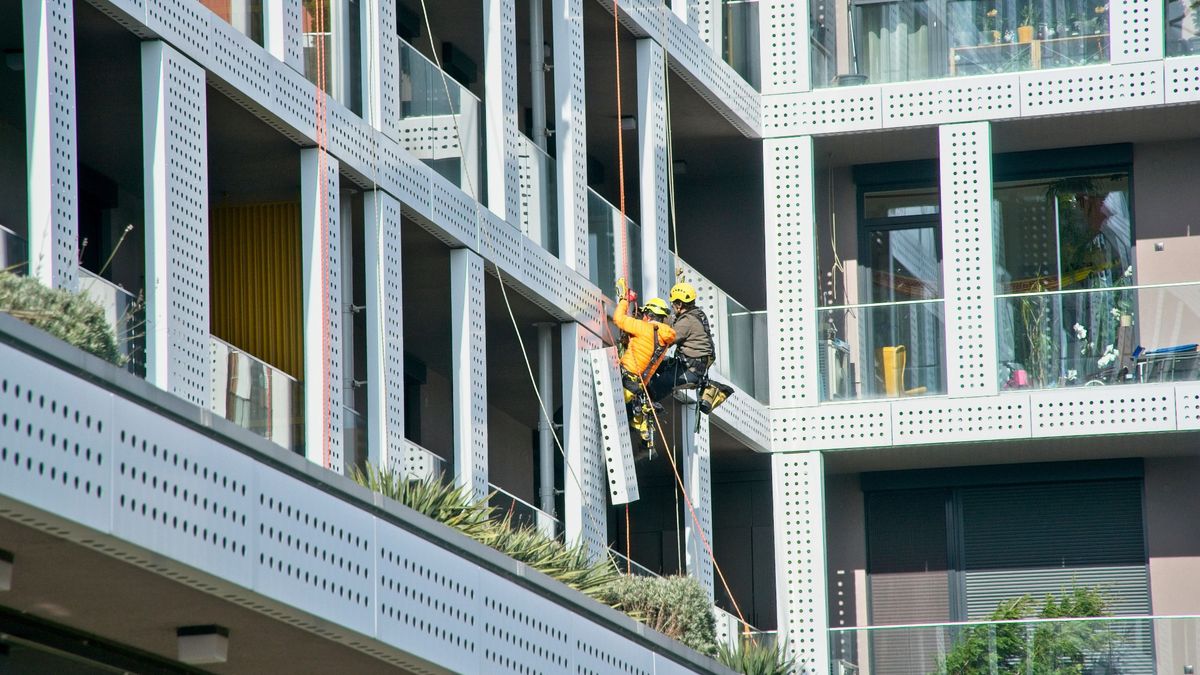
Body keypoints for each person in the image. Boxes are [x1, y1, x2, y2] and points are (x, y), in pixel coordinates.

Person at [648, 281, 734, 414]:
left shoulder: (688, 321)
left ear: (680, 304)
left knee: (659, 384)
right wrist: (657, 317)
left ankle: (647, 403)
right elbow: (673, 321)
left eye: (673, 303)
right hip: (691, 367)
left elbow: (668, 339)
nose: (672, 306)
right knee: (656, 364)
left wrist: (644, 331)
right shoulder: (694, 315)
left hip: (690, 370)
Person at [612, 278, 675, 443]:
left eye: (645, 314)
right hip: (639, 384)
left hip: (626, 377)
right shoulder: (664, 336)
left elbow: (619, 319)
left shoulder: (644, 328)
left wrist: (624, 300)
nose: (643, 317)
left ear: (649, 314)